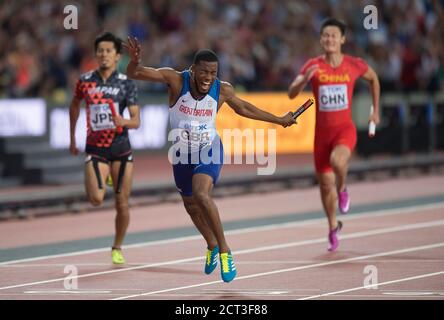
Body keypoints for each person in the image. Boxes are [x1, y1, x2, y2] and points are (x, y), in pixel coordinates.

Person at [124, 36, 296, 282]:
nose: (208, 77)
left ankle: (225, 250)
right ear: (193, 70)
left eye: (213, 73)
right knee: (190, 205)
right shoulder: (175, 79)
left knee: (202, 195)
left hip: (209, 148)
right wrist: (134, 61)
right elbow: (136, 73)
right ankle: (212, 244)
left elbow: (244, 108)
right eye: (204, 72)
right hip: (182, 153)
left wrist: (279, 120)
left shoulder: (222, 89)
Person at [288, 18, 380, 251]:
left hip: (343, 130)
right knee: (324, 184)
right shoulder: (313, 65)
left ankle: (343, 188)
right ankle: (332, 226)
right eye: (325, 35)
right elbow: (291, 93)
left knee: (337, 162)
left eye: (333, 35)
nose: (329, 39)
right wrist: (303, 80)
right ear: (321, 39)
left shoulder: (353, 64)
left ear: (342, 39)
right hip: (321, 136)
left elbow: (374, 79)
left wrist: (375, 111)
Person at [69, 32, 140, 264]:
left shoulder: (127, 84)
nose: (104, 55)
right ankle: (102, 175)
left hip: (120, 148)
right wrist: (72, 138)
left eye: (109, 51)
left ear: (118, 56)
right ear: (95, 54)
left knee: (122, 203)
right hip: (95, 148)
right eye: (100, 51)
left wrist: (124, 122)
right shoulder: (85, 80)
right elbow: (74, 106)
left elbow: (136, 121)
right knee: (97, 199)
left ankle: (117, 246)